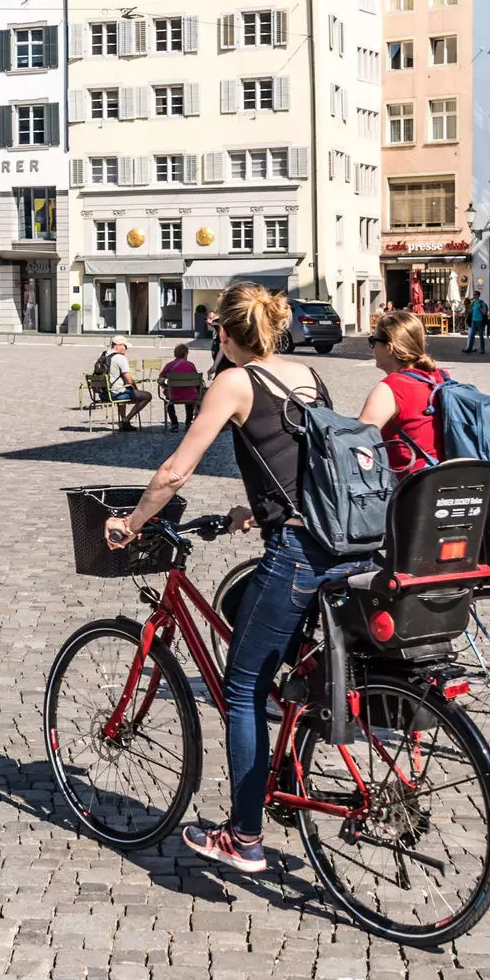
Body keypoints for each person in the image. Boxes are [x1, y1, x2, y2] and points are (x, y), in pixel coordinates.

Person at [102, 283, 367, 874]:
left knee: (242, 688)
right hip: (342, 544)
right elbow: (307, 462)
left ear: (224, 332)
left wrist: (132, 520)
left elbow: (175, 470)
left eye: (217, 329)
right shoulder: (306, 375)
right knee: (275, 655)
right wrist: (257, 508)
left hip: (298, 553)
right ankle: (290, 767)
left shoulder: (233, 381)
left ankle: (243, 835)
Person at [356, 310, 450, 477]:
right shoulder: (440, 376)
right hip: (443, 477)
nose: (372, 347)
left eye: (373, 341)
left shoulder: (391, 387)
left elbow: (357, 440)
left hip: (410, 487)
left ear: (389, 348)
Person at [99, 335, 151, 431]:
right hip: (115, 393)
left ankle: (124, 421)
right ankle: (126, 420)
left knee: (124, 389)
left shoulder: (103, 355)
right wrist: (135, 389)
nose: (126, 349)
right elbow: (128, 379)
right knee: (147, 396)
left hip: (104, 393)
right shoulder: (120, 358)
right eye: (125, 346)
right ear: (118, 345)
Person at [158, 343, 202, 431]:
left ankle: (174, 424)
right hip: (191, 396)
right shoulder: (191, 365)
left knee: (167, 400)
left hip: (173, 395)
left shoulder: (169, 365)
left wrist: (164, 384)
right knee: (189, 397)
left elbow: (160, 379)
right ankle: (188, 423)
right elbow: (197, 381)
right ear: (186, 353)